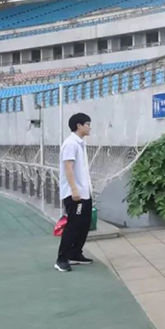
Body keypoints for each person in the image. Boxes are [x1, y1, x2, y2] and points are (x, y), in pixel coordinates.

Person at [55, 113, 94, 272]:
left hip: (85, 192)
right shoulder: (70, 144)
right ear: (79, 125)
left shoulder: (80, 143)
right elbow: (68, 168)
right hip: (75, 194)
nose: (89, 127)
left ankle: (75, 253)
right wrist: (74, 190)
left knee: (84, 224)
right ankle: (61, 259)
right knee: (73, 226)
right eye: (87, 124)